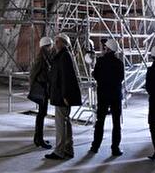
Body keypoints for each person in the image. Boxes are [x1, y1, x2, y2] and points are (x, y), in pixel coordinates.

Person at [45, 33, 82, 161]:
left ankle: (59, 151)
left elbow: (67, 78)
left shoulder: (64, 56)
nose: (55, 44)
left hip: (62, 96)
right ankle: (68, 149)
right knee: (65, 122)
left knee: (61, 124)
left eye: (57, 42)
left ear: (63, 43)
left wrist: (66, 95)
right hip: (60, 94)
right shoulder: (62, 55)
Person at [89, 38, 125, 156]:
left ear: (107, 48)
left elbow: (97, 76)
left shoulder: (100, 61)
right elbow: (121, 78)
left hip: (103, 94)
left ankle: (95, 146)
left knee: (100, 121)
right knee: (116, 123)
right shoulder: (119, 63)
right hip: (115, 95)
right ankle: (115, 148)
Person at [29, 36, 54, 148]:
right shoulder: (42, 59)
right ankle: (39, 139)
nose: (51, 47)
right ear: (47, 46)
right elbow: (33, 74)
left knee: (41, 114)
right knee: (41, 114)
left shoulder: (45, 58)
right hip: (41, 90)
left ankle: (37, 138)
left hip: (44, 89)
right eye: (50, 46)